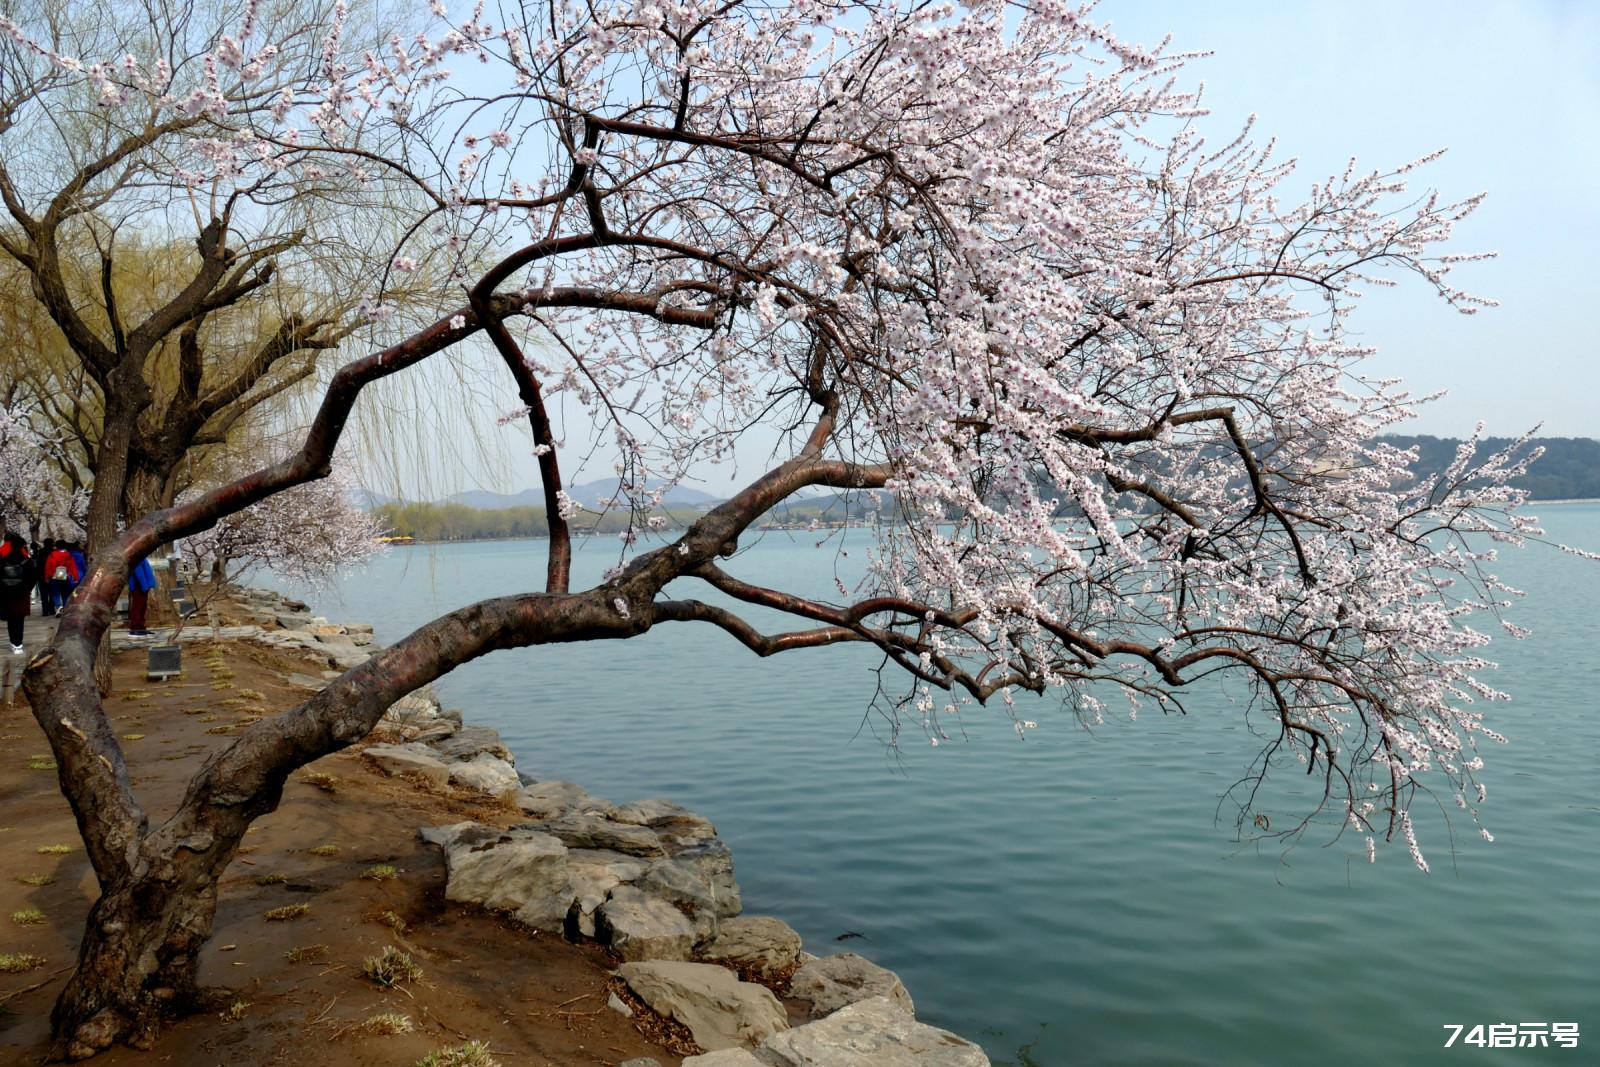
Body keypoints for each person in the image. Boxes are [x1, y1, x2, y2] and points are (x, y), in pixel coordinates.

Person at [0, 516, 35, 654]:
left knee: (10, 619)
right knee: (19, 619)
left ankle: (13, 642)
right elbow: (33, 576)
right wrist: (27, 588)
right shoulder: (25, 559)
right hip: (21, 593)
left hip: (5, 593)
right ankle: (18, 643)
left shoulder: (1, 558)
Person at [43, 540, 79, 614]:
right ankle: (65, 609)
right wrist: (75, 577)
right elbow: (73, 567)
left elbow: (48, 566)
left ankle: (58, 607)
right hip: (66, 576)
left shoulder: (52, 555)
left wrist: (47, 577)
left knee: (55, 593)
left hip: (54, 576)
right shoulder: (68, 555)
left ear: (56, 546)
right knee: (65, 593)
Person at [127, 556, 156, 637]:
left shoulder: (141, 556)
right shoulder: (136, 558)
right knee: (137, 607)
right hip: (139, 586)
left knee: (142, 607)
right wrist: (144, 586)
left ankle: (141, 627)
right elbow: (138, 573)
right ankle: (135, 628)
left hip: (143, 586)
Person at [35, 537, 57, 615]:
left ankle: (45, 610)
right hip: (52, 575)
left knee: (44, 594)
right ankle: (52, 609)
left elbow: (38, 564)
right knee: (52, 593)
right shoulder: (54, 552)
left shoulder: (40, 552)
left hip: (41, 575)